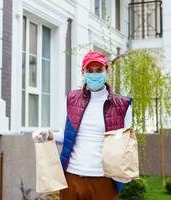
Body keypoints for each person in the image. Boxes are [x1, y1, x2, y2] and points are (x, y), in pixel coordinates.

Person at [33, 51, 132, 200]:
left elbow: (126, 144)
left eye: (99, 70)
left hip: (104, 179)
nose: (94, 75)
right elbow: (66, 135)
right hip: (72, 177)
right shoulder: (71, 98)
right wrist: (48, 134)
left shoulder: (122, 105)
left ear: (107, 71)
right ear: (83, 72)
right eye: (89, 71)